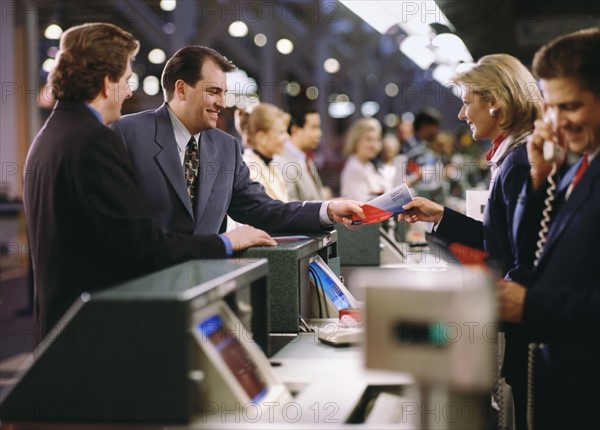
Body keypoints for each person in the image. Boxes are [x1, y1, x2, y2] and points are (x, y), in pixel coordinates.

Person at [22, 23, 279, 341]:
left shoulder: (51, 135)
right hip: (97, 334)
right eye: (127, 80)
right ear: (106, 83)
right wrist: (228, 241)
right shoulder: (93, 140)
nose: (130, 91)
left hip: (62, 327)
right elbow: (143, 245)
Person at [111, 45, 362, 242]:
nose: (223, 103)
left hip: (209, 289)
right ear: (181, 90)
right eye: (213, 92)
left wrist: (327, 210)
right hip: (143, 291)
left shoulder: (226, 148)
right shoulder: (126, 134)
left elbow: (263, 209)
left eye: (224, 93)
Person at [497, 28, 599, 430]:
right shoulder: (579, 166)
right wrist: (540, 176)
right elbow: (532, 255)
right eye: (551, 108)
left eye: (571, 105)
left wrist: (533, 306)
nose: (558, 122)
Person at [276, 102, 332, 201]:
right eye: (314, 128)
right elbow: (290, 208)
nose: (319, 133)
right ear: (295, 130)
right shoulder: (283, 162)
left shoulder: (304, 157)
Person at [238, 103, 290, 202]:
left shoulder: (270, 165)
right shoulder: (249, 171)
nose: (287, 137)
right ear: (262, 138)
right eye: (281, 132)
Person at [340, 117, 388, 202]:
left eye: (376, 140)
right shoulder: (354, 168)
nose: (373, 145)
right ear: (356, 141)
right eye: (368, 139)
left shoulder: (368, 165)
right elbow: (364, 204)